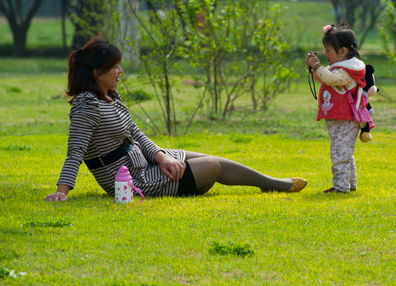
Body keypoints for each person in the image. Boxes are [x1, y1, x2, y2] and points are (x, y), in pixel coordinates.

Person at [45, 38, 307, 202]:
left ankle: (270, 183)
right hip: (133, 180)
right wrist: (62, 192)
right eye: (115, 66)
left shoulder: (110, 96)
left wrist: (161, 157)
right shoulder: (85, 107)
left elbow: (134, 132)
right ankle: (273, 185)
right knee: (212, 166)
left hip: (146, 161)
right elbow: (75, 152)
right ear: (96, 71)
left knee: (207, 159)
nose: (121, 71)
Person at [305, 24, 372, 194]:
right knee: (344, 152)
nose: (326, 54)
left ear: (342, 51)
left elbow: (330, 78)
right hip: (338, 119)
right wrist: (314, 68)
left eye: (328, 50)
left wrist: (318, 66)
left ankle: (341, 187)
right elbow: (323, 77)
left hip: (347, 119)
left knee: (339, 153)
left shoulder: (348, 71)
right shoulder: (340, 67)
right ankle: (349, 184)